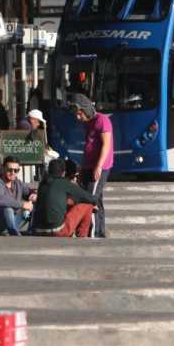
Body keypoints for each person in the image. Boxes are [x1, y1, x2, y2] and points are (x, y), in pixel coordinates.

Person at [72, 93, 112, 238]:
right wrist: (82, 167)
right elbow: (88, 146)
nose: (78, 117)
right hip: (89, 165)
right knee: (97, 198)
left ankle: (92, 232)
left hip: (99, 166)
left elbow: (106, 145)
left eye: (79, 113)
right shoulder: (88, 123)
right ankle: (100, 231)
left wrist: (98, 166)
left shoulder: (102, 120)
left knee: (90, 198)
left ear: (85, 109)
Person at [32, 159, 98, 237]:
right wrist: (93, 204)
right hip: (57, 231)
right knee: (88, 204)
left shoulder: (42, 184)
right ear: (63, 173)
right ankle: (82, 237)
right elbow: (90, 198)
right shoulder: (64, 183)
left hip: (38, 230)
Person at [0, 156, 36, 236]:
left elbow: (28, 191)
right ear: (3, 168)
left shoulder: (17, 183)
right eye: (9, 170)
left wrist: (32, 195)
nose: (13, 173)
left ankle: (31, 232)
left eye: (16, 170)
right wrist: (23, 204)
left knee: (32, 207)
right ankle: (14, 233)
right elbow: (1, 200)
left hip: (13, 221)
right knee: (7, 209)